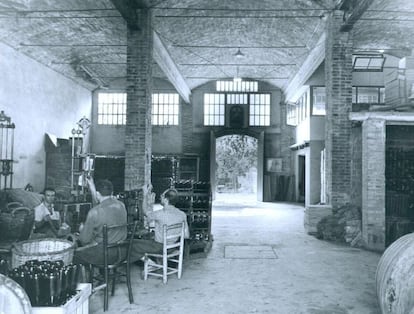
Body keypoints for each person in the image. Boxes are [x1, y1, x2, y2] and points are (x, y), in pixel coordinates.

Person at [73, 177, 127, 265]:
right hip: (122, 251)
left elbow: (84, 240)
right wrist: (92, 186)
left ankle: (89, 278)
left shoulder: (94, 212)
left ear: (98, 194)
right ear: (111, 192)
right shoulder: (121, 205)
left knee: (75, 254)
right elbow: (101, 205)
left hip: (105, 255)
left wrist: (82, 229)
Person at [131, 188, 190, 262]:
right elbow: (186, 235)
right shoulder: (182, 214)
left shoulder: (160, 214)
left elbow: (145, 211)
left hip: (160, 247)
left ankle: (152, 264)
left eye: (162, 196)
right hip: (173, 247)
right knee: (149, 240)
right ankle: (157, 263)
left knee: (131, 244)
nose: (160, 197)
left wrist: (145, 194)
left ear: (166, 200)